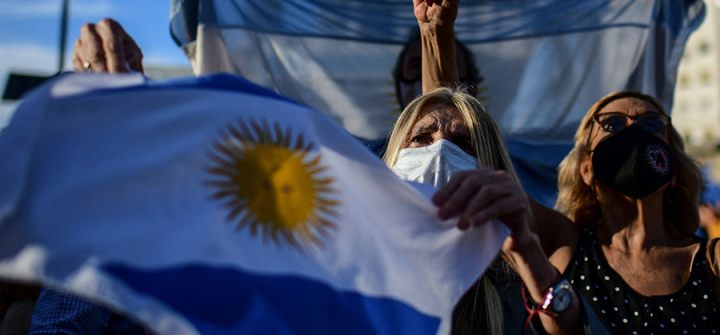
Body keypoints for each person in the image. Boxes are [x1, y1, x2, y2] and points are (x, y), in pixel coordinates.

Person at [549, 90, 720, 334]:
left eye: (651, 123)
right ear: (585, 168)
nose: (634, 131)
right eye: (612, 123)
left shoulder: (713, 261)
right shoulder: (564, 245)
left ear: (674, 170)